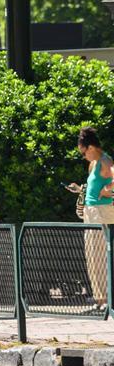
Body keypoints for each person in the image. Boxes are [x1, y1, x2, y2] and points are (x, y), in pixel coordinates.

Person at [67, 126, 114, 308]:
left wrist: (108, 190)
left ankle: (105, 299)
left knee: (101, 255)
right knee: (92, 255)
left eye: (83, 152)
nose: (83, 156)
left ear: (91, 148)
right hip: (91, 212)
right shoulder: (93, 164)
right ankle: (100, 297)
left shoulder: (105, 161)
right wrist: (79, 190)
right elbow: (91, 189)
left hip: (102, 213)